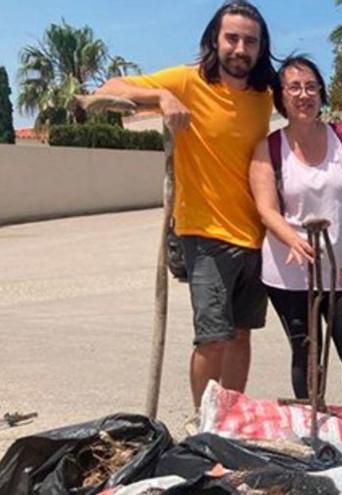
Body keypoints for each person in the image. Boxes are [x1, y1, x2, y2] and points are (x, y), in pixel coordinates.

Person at [95, 1, 276, 416]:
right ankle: (207, 426)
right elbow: (109, 90)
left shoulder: (264, 96)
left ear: (260, 47)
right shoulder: (186, 80)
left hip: (255, 234)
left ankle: (230, 420)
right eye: (232, 38)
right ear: (215, 39)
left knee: (242, 335)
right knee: (211, 337)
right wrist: (160, 95)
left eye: (250, 40)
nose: (240, 48)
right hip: (204, 232)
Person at [249, 55, 342, 416]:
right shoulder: (270, 148)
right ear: (281, 97)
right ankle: (312, 425)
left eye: (310, 86)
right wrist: (291, 238)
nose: (304, 94)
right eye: (294, 87)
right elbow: (266, 208)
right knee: (306, 354)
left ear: (321, 91)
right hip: (290, 273)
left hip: (341, 270)